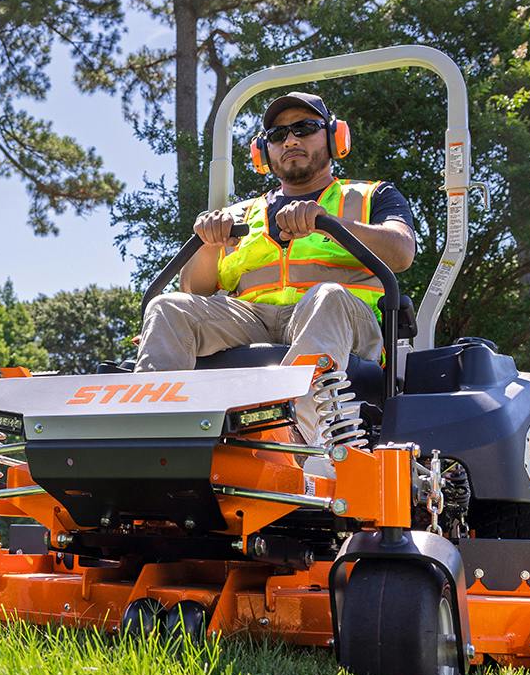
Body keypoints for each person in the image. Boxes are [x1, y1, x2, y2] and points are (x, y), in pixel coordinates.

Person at [134, 90, 416, 443]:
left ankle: (298, 440)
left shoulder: (371, 196)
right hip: (254, 321)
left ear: (334, 136)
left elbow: (401, 252)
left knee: (327, 296)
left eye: (304, 128)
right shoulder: (239, 214)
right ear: (262, 150)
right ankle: (151, 438)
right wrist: (209, 243)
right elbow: (195, 290)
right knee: (166, 306)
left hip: (344, 323)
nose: (291, 140)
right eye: (278, 134)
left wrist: (328, 223)